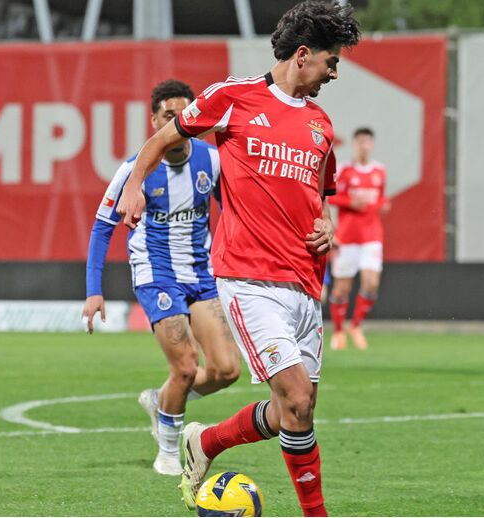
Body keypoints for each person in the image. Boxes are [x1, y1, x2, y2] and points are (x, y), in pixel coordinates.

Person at [114, 2, 359, 516]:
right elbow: (163, 138)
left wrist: (326, 223)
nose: (335, 72)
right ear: (302, 54)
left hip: (303, 283)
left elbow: (319, 190)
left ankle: (205, 443)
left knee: (297, 410)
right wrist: (135, 185)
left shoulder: (320, 124)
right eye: (331, 61)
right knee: (294, 399)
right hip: (249, 278)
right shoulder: (233, 98)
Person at [81, 79, 241, 476]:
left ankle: (161, 400)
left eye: (185, 114)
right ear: (155, 120)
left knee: (226, 371)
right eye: (169, 115)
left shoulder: (211, 159)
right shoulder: (133, 170)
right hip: (157, 275)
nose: (178, 121)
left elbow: (234, 212)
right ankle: (170, 449)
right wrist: (93, 290)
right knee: (185, 367)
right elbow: (103, 226)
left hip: (201, 273)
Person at [328, 127, 388, 350]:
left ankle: (356, 325)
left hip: (372, 236)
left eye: (368, 142)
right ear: (355, 144)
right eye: (360, 141)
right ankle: (338, 331)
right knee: (342, 288)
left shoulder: (379, 171)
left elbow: (380, 196)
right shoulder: (345, 169)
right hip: (347, 236)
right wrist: (349, 203)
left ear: (372, 145)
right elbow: (330, 197)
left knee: (371, 283)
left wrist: (383, 203)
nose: (364, 145)